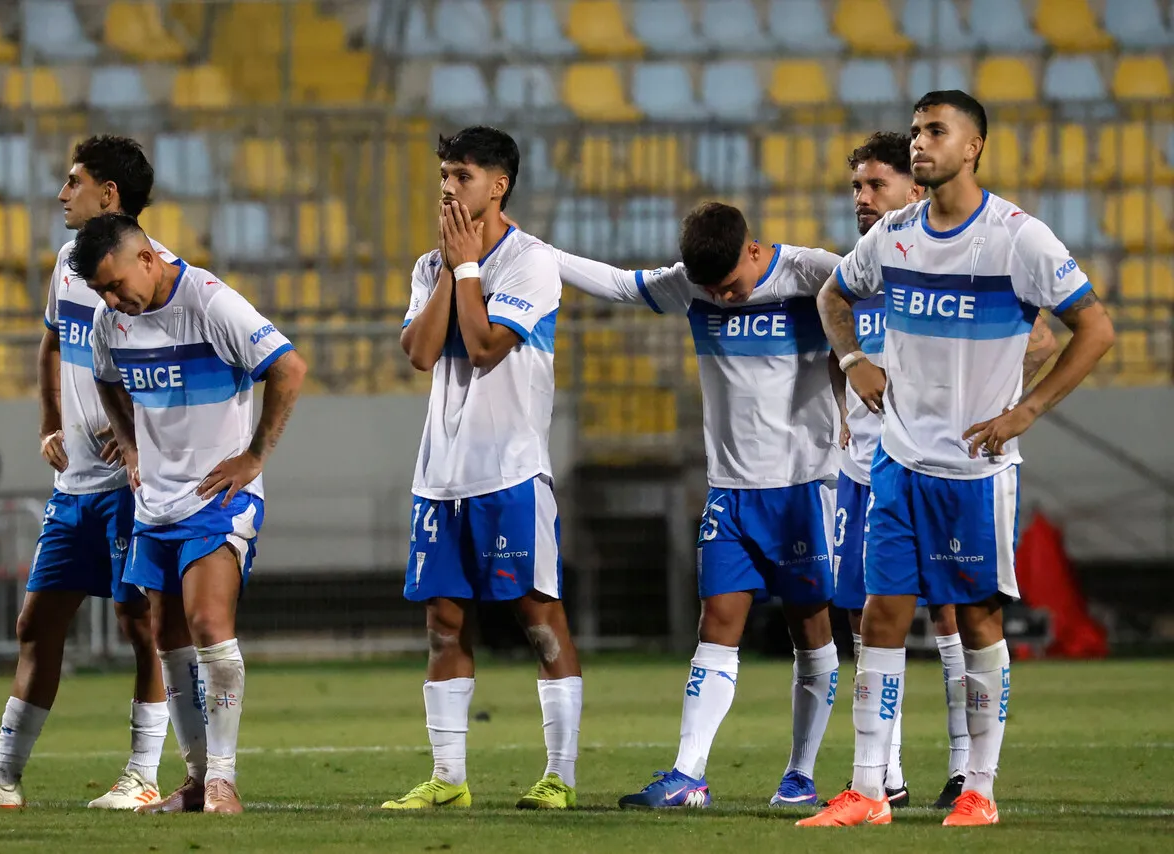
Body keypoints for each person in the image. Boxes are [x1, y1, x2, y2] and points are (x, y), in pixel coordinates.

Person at [799, 90, 1114, 829]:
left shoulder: (1018, 238)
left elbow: (1094, 328)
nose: (919, 143)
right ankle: (868, 790)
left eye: (935, 132)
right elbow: (832, 296)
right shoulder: (896, 233)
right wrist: (853, 360)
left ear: (972, 147)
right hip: (899, 465)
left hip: (974, 472)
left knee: (977, 623)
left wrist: (1026, 410)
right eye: (915, 131)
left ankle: (978, 788)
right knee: (880, 618)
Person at [550, 203, 843, 809]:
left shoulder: (813, 274)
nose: (724, 299)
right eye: (711, 291)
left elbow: (879, 293)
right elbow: (617, 284)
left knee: (811, 631)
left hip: (807, 488)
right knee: (717, 626)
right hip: (730, 493)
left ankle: (800, 772)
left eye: (731, 285)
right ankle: (689, 774)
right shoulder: (694, 285)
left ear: (754, 249)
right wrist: (532, 250)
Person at [0, 137, 174, 811]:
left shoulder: (156, 270)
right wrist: (49, 424)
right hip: (75, 487)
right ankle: (1, 776)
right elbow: (53, 342)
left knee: (139, 622)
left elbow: (175, 369)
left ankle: (143, 776)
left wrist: (143, 439)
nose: (62, 194)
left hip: (129, 490)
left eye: (73, 182)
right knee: (37, 623)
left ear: (108, 195)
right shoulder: (69, 263)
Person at [829, 131, 1058, 810]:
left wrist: (996, 402)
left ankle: (967, 774)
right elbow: (836, 317)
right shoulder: (876, 258)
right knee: (875, 615)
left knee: (957, 616)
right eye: (856, 188)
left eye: (876, 185)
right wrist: (845, 387)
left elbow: (1046, 335)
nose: (864, 200)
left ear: (913, 184)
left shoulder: (984, 244)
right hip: (872, 464)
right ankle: (881, 780)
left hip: (957, 467)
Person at [383, 126, 582, 812]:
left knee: (537, 619)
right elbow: (419, 350)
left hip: (511, 472)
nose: (446, 187)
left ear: (498, 185)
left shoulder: (531, 262)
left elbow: (487, 344)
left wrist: (469, 269)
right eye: (443, 174)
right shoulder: (427, 266)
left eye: (461, 175)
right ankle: (449, 779)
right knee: (444, 622)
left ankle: (560, 775)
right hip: (440, 474)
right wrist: (449, 268)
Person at [83, 212, 305, 814]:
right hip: (154, 503)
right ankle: (196, 778)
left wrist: (255, 455)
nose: (111, 299)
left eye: (114, 283)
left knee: (208, 623)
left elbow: (288, 367)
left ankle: (223, 782)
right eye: (100, 290)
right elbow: (104, 377)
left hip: (217, 499)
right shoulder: (111, 321)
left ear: (147, 258)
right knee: (169, 638)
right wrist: (129, 444)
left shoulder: (209, 303)